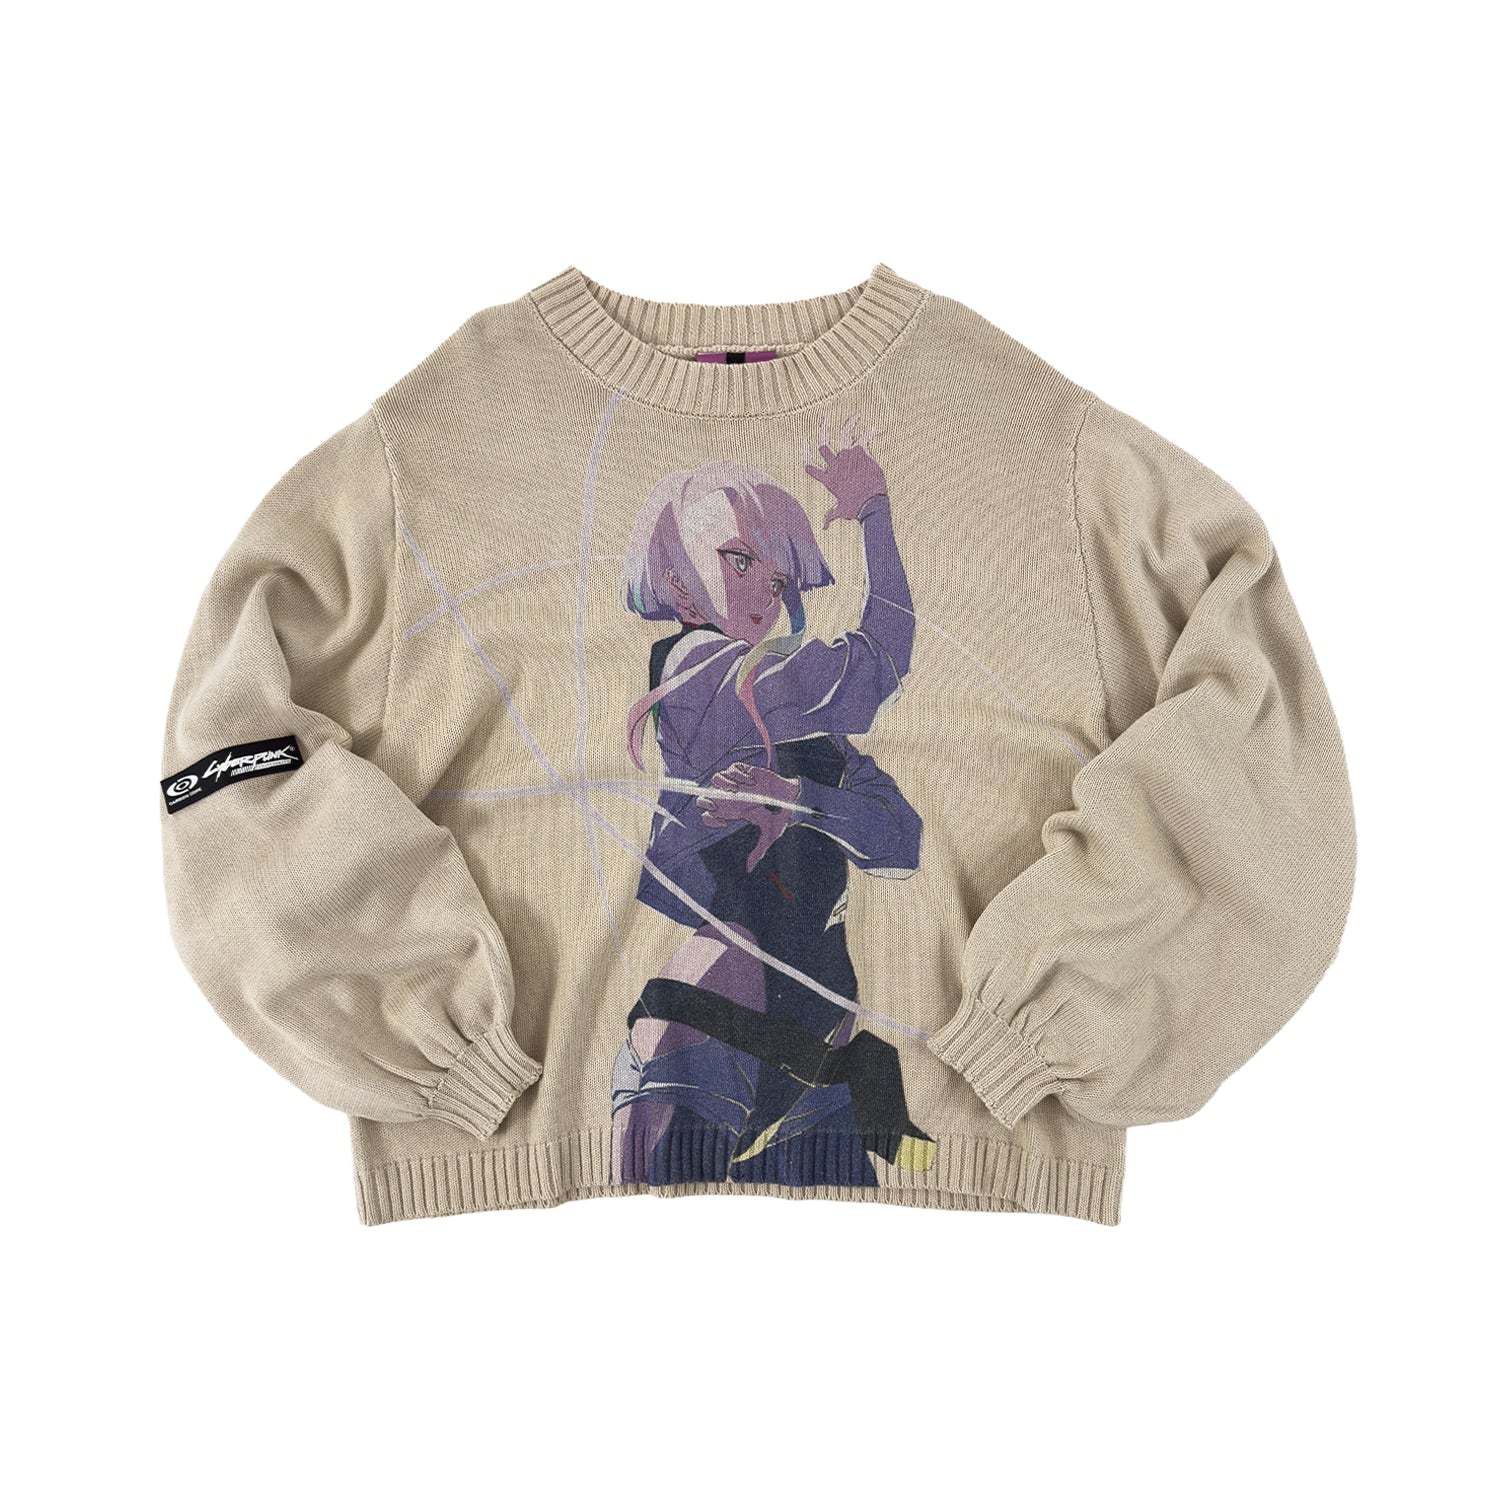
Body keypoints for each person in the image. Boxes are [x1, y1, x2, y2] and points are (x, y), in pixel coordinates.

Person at [611, 427, 935, 1188]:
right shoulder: (700, 676)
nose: (766, 590)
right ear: (678, 584)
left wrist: (801, 800)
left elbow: (901, 840)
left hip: (818, 1068)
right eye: (739, 560)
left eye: (780, 577)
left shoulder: (812, 737)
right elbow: (879, 662)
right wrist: (875, 518)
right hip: (709, 1036)